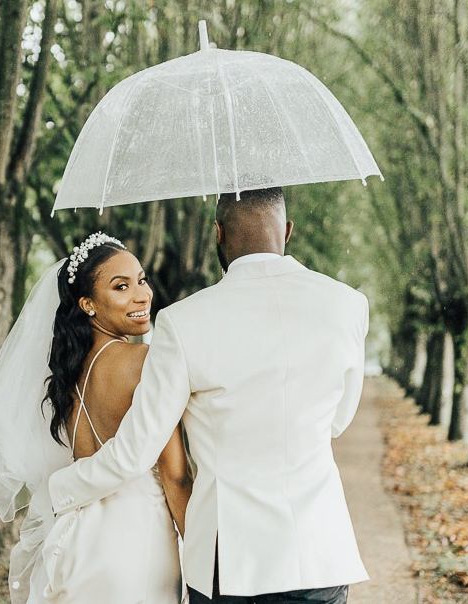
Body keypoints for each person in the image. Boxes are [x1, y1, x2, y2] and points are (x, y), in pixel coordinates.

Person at [49, 188, 370, 604]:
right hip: (317, 551)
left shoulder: (183, 322)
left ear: (217, 233)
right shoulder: (347, 305)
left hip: (229, 560)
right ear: (287, 231)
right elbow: (337, 421)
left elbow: (134, 452)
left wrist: (58, 490)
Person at [0, 232, 191, 604]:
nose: (142, 295)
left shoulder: (66, 373)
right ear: (88, 303)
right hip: (139, 545)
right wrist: (204, 561)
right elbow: (174, 474)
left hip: (76, 540)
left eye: (142, 280)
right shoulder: (144, 364)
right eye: (121, 287)